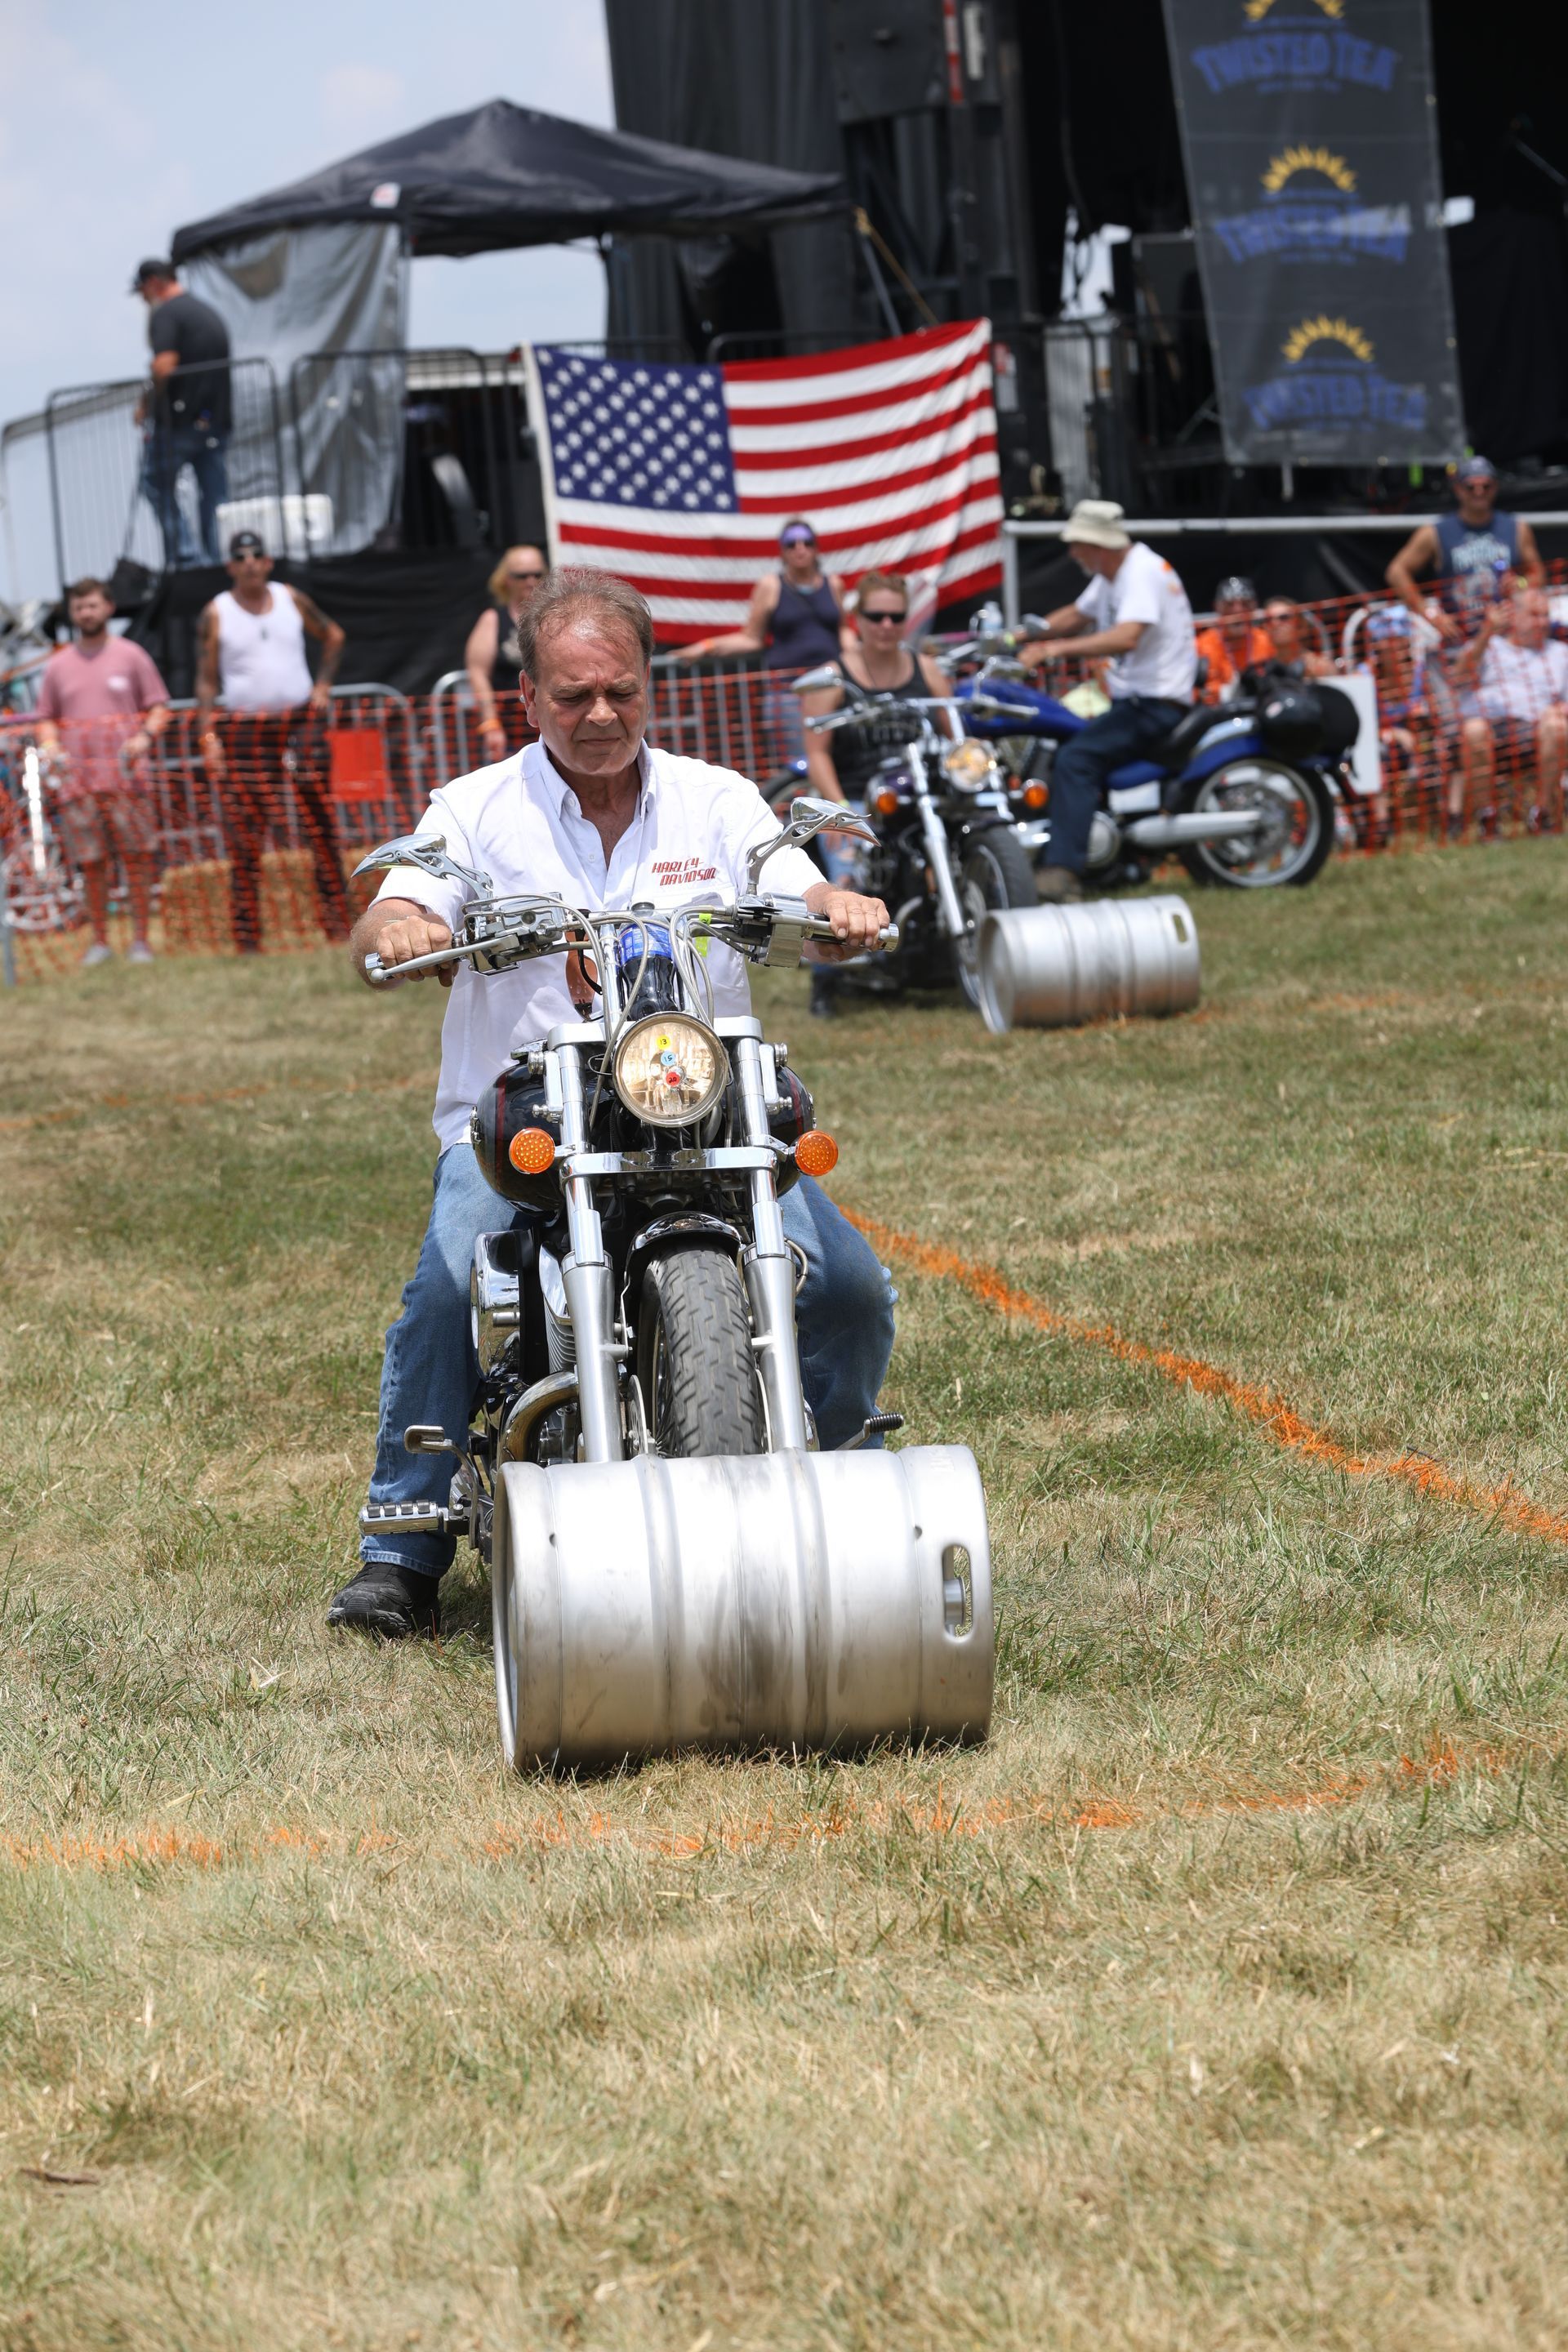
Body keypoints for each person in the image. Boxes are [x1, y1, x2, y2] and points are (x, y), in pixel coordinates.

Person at [327, 568, 897, 1637]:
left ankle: (854, 1477)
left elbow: (793, 886)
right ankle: (402, 1547)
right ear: (530, 697)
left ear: (649, 690)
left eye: (620, 694)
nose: (600, 717)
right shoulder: (476, 809)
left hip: (705, 1109)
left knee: (852, 1291)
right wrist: (397, 930)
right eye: (575, 695)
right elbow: (400, 902)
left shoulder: (715, 798)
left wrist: (836, 902)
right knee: (453, 1290)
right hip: (531, 1119)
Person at [1018, 500, 1197, 902]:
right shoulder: (1114, 575)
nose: (1072, 553)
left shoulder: (1141, 573)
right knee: (1064, 741)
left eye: (1078, 543)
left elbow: (1126, 636)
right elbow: (1075, 614)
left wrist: (1052, 651)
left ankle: (1063, 873)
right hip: (1136, 701)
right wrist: (1020, 636)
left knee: (1076, 760)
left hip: (1154, 705)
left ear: (1098, 544)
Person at [797, 568, 956, 1014]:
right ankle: (827, 980)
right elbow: (818, 754)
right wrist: (841, 814)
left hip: (920, 800)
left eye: (896, 616)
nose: (886, 626)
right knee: (843, 880)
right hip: (857, 801)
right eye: (876, 616)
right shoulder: (832, 679)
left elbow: (952, 734)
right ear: (858, 620)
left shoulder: (926, 670)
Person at [195, 531, 350, 954]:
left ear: (269, 562)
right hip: (244, 730)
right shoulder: (217, 612)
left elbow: (333, 635)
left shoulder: (290, 598)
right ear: (230, 566)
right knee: (246, 830)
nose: (249, 562)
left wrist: (322, 685)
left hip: (300, 721)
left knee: (319, 822)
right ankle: (247, 937)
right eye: (240, 556)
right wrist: (208, 736)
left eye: (257, 555)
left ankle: (337, 925)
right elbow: (207, 679)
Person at [33, 577, 169, 967]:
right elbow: (45, 719)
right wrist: (51, 746)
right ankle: (99, 942)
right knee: (91, 864)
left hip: (128, 781)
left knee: (137, 859)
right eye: (79, 608)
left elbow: (159, 708)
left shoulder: (132, 656)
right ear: (72, 614)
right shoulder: (58, 666)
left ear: (108, 608)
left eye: (92, 606)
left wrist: (144, 737)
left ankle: (141, 940)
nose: (86, 613)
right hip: (78, 785)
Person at [677, 519, 847, 763]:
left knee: (838, 761)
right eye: (792, 544)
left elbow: (844, 631)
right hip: (789, 692)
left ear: (816, 549)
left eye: (807, 542)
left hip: (831, 687)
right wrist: (705, 647)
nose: (800, 548)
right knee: (800, 764)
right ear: (783, 552)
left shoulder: (834, 584)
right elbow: (751, 638)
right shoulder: (771, 586)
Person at [131, 259, 233, 569]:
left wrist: (146, 403)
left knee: (154, 483)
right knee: (214, 494)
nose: (143, 300)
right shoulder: (207, 312)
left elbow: (164, 364)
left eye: (142, 292)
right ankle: (216, 558)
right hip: (214, 420)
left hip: (180, 422)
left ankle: (188, 555)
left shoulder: (167, 314)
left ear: (152, 283)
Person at [1385, 457, 1545, 647]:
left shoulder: (1517, 528)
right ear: (1458, 489)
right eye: (1471, 487)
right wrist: (1430, 613)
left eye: (1486, 486)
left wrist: (1521, 583)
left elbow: (1539, 573)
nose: (1479, 492)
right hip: (1461, 640)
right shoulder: (1435, 532)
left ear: (1495, 487)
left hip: (1507, 638)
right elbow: (1396, 572)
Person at [1451, 585, 1568, 836]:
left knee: (1557, 724)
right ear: (1513, 616)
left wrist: (1560, 709)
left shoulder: (1560, 653)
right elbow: (1459, 677)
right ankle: (1488, 818)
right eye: (1535, 615)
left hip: (1537, 727)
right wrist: (1486, 632)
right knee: (1473, 730)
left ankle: (1542, 813)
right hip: (1490, 724)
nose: (1543, 622)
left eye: (1546, 615)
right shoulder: (1489, 646)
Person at [464, 545, 548, 763]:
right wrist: (491, 724)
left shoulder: (555, 616)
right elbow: (478, 673)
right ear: (507, 579)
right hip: (511, 730)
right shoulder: (493, 620)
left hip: (553, 723)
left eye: (537, 574)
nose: (531, 581)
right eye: (522, 576)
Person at [1194, 577, 1272, 702]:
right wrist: (1221, 692)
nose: (1238, 610)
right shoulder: (1202, 645)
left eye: (1245, 604)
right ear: (1217, 608)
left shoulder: (1265, 640)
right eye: (1229, 604)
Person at [1262, 597, 1332, 680]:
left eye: (1284, 618)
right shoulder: (1259, 670)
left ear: (1301, 626)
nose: (1275, 623)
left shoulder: (1321, 667)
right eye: (1268, 619)